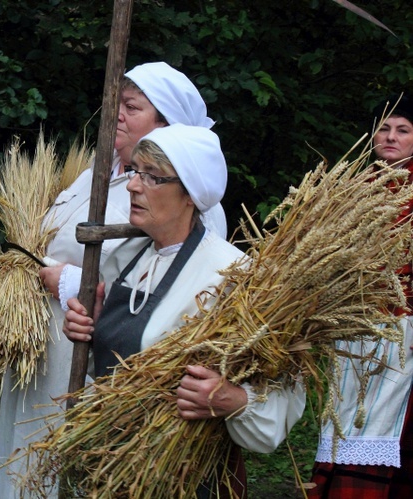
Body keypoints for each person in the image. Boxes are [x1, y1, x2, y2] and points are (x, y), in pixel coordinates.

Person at [0, 61, 227, 497]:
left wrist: (70, 283)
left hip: (88, 358)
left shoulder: (190, 198)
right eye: (117, 101)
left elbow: (179, 280)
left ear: (167, 126)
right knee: (19, 459)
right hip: (40, 353)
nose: (116, 112)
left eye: (132, 106)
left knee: (55, 468)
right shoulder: (93, 175)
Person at [62, 124, 306, 497]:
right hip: (112, 470)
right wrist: (91, 330)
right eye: (134, 171)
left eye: (152, 177)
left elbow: (286, 386)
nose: (132, 185)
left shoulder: (233, 275)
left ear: (189, 194)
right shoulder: (128, 256)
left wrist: (236, 400)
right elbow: (119, 364)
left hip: (183, 478)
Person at [308, 93, 413, 498]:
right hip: (348, 324)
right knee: (341, 415)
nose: (390, 137)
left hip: (396, 331)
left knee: (378, 421)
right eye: (384, 128)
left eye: (402, 130)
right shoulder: (354, 188)